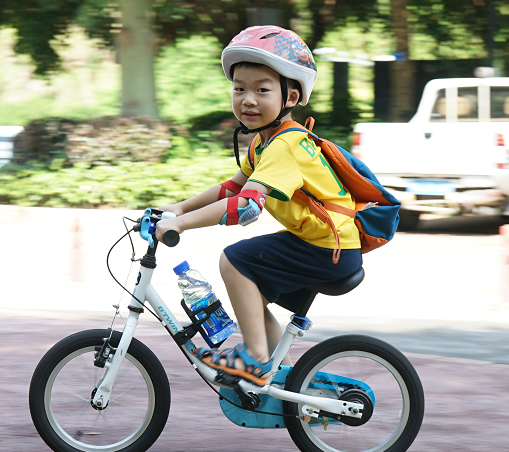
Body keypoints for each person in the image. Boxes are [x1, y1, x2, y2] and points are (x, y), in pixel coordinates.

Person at [154, 25, 362, 385]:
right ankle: (270, 368)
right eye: (239, 89)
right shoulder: (264, 144)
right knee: (251, 288)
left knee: (236, 261)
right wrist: (178, 207)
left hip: (328, 248)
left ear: (292, 97)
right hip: (321, 244)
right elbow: (231, 187)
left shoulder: (287, 145)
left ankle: (255, 359)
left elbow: (247, 206)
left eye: (262, 90)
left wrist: (181, 225)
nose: (248, 99)